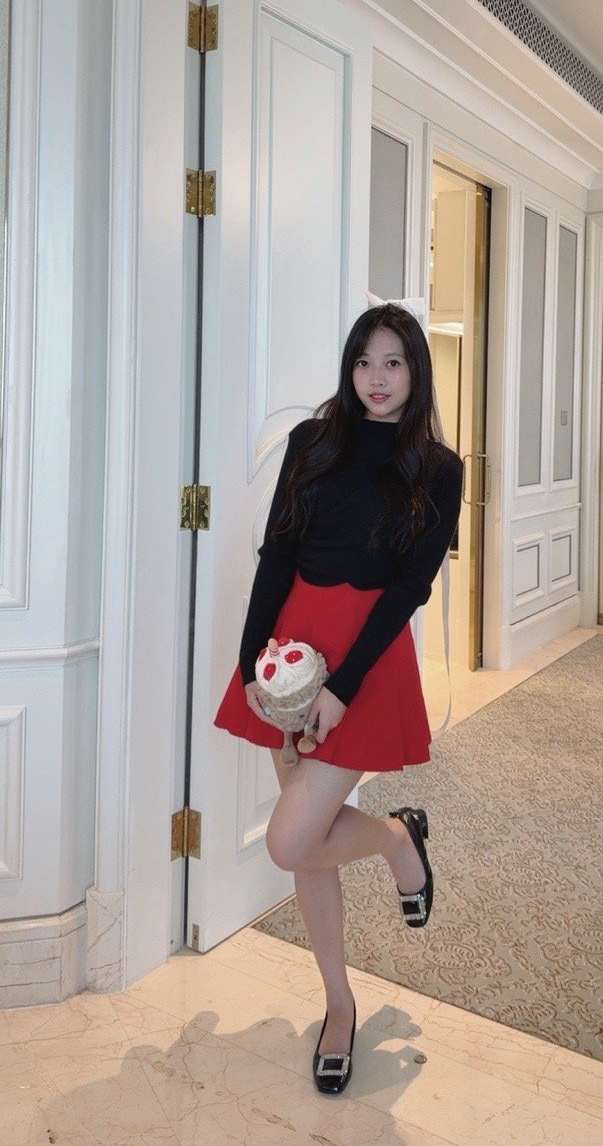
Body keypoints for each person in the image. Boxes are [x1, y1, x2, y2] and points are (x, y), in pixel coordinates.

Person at [214, 302, 462, 1095]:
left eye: (393, 362)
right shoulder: (312, 443)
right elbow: (279, 553)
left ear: (415, 371)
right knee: (311, 844)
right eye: (363, 361)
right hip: (292, 653)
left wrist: (343, 688)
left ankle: (395, 839)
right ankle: (339, 1005)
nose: (376, 378)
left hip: (366, 659)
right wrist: (253, 664)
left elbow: (409, 588)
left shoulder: (439, 468)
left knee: (291, 839)